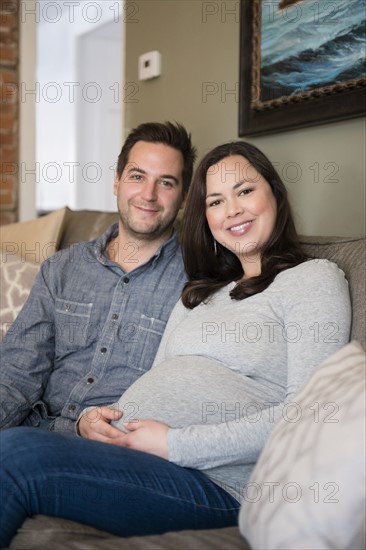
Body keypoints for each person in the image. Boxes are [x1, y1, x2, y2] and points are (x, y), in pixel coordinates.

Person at [0, 141, 351, 546]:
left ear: (275, 192)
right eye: (216, 201)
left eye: (245, 191)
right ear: (206, 217)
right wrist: (94, 422)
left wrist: (173, 443)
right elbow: (156, 379)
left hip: (218, 481)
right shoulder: (200, 293)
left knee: (15, 455)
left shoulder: (313, 280)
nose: (232, 209)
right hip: (134, 456)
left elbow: (307, 416)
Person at [0, 121, 197, 434]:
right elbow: (16, 375)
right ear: (117, 182)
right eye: (137, 176)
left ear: (184, 197)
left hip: (110, 448)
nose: (148, 194)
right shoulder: (61, 269)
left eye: (166, 183)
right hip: (33, 431)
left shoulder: (197, 283)